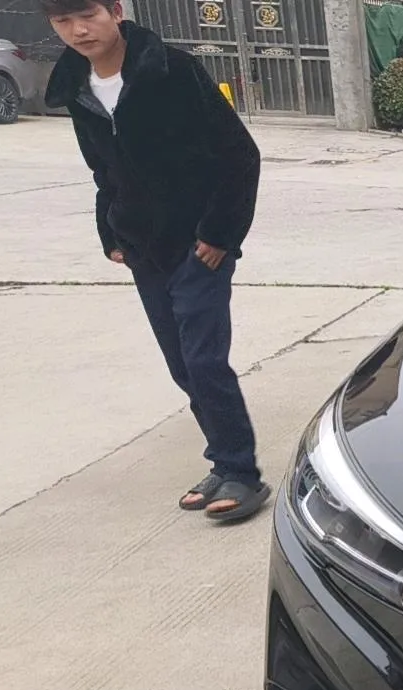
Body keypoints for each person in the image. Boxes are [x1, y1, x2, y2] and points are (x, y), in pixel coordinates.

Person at [42, 0, 269, 522]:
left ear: (116, 11)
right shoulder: (76, 87)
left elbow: (240, 155)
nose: (78, 30)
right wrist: (111, 233)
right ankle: (223, 461)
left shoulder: (173, 70)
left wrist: (219, 233)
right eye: (62, 21)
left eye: (88, 14)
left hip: (198, 245)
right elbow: (103, 171)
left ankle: (241, 473)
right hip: (143, 250)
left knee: (204, 360)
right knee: (181, 364)